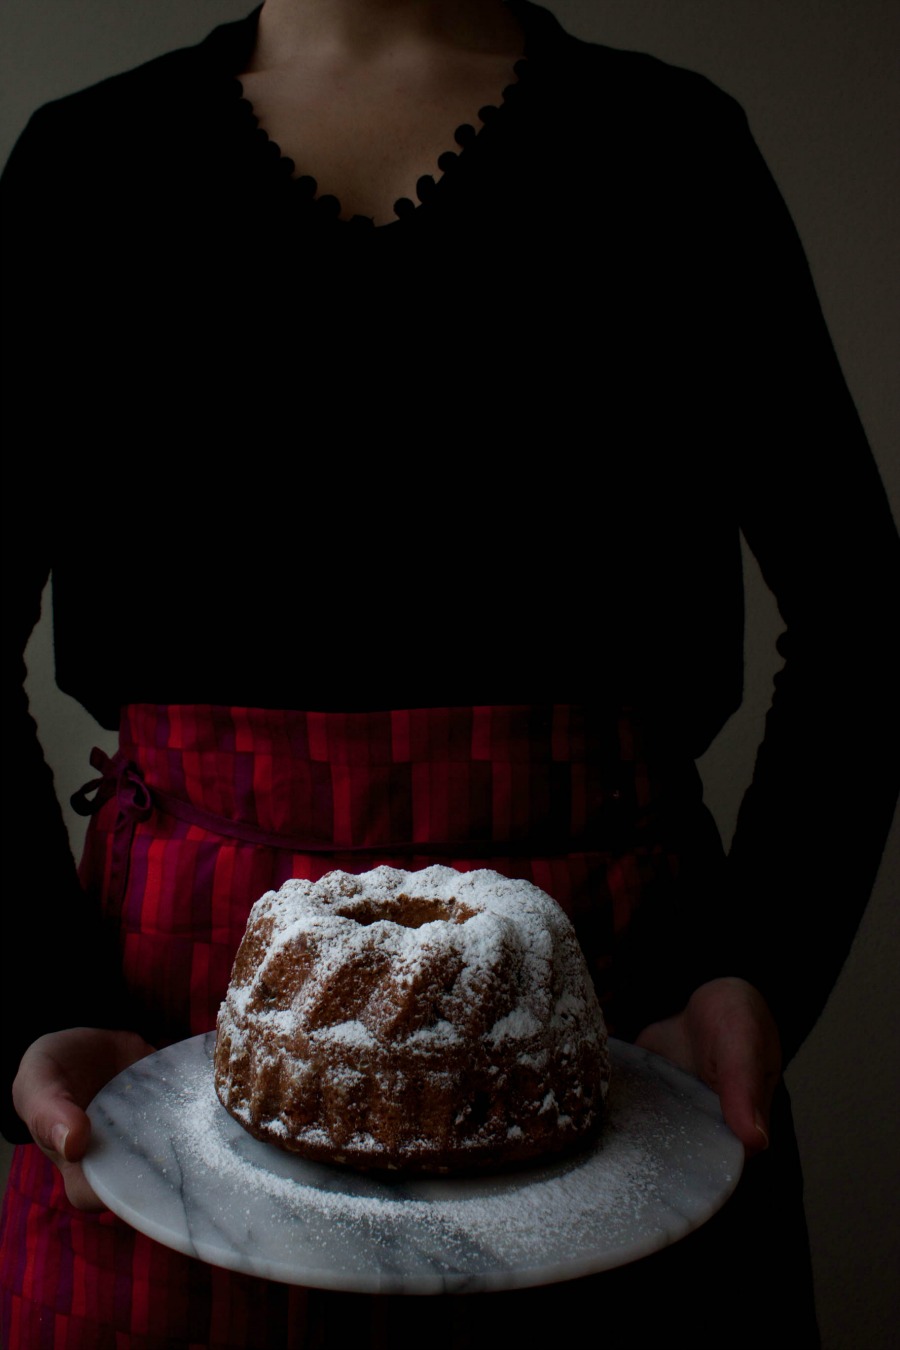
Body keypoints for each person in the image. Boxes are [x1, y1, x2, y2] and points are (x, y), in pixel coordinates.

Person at [1, 0, 898, 1346]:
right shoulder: (88, 162)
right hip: (167, 1039)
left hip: (617, 1025)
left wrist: (754, 968)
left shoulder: (671, 147)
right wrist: (31, 1000)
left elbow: (864, 620)